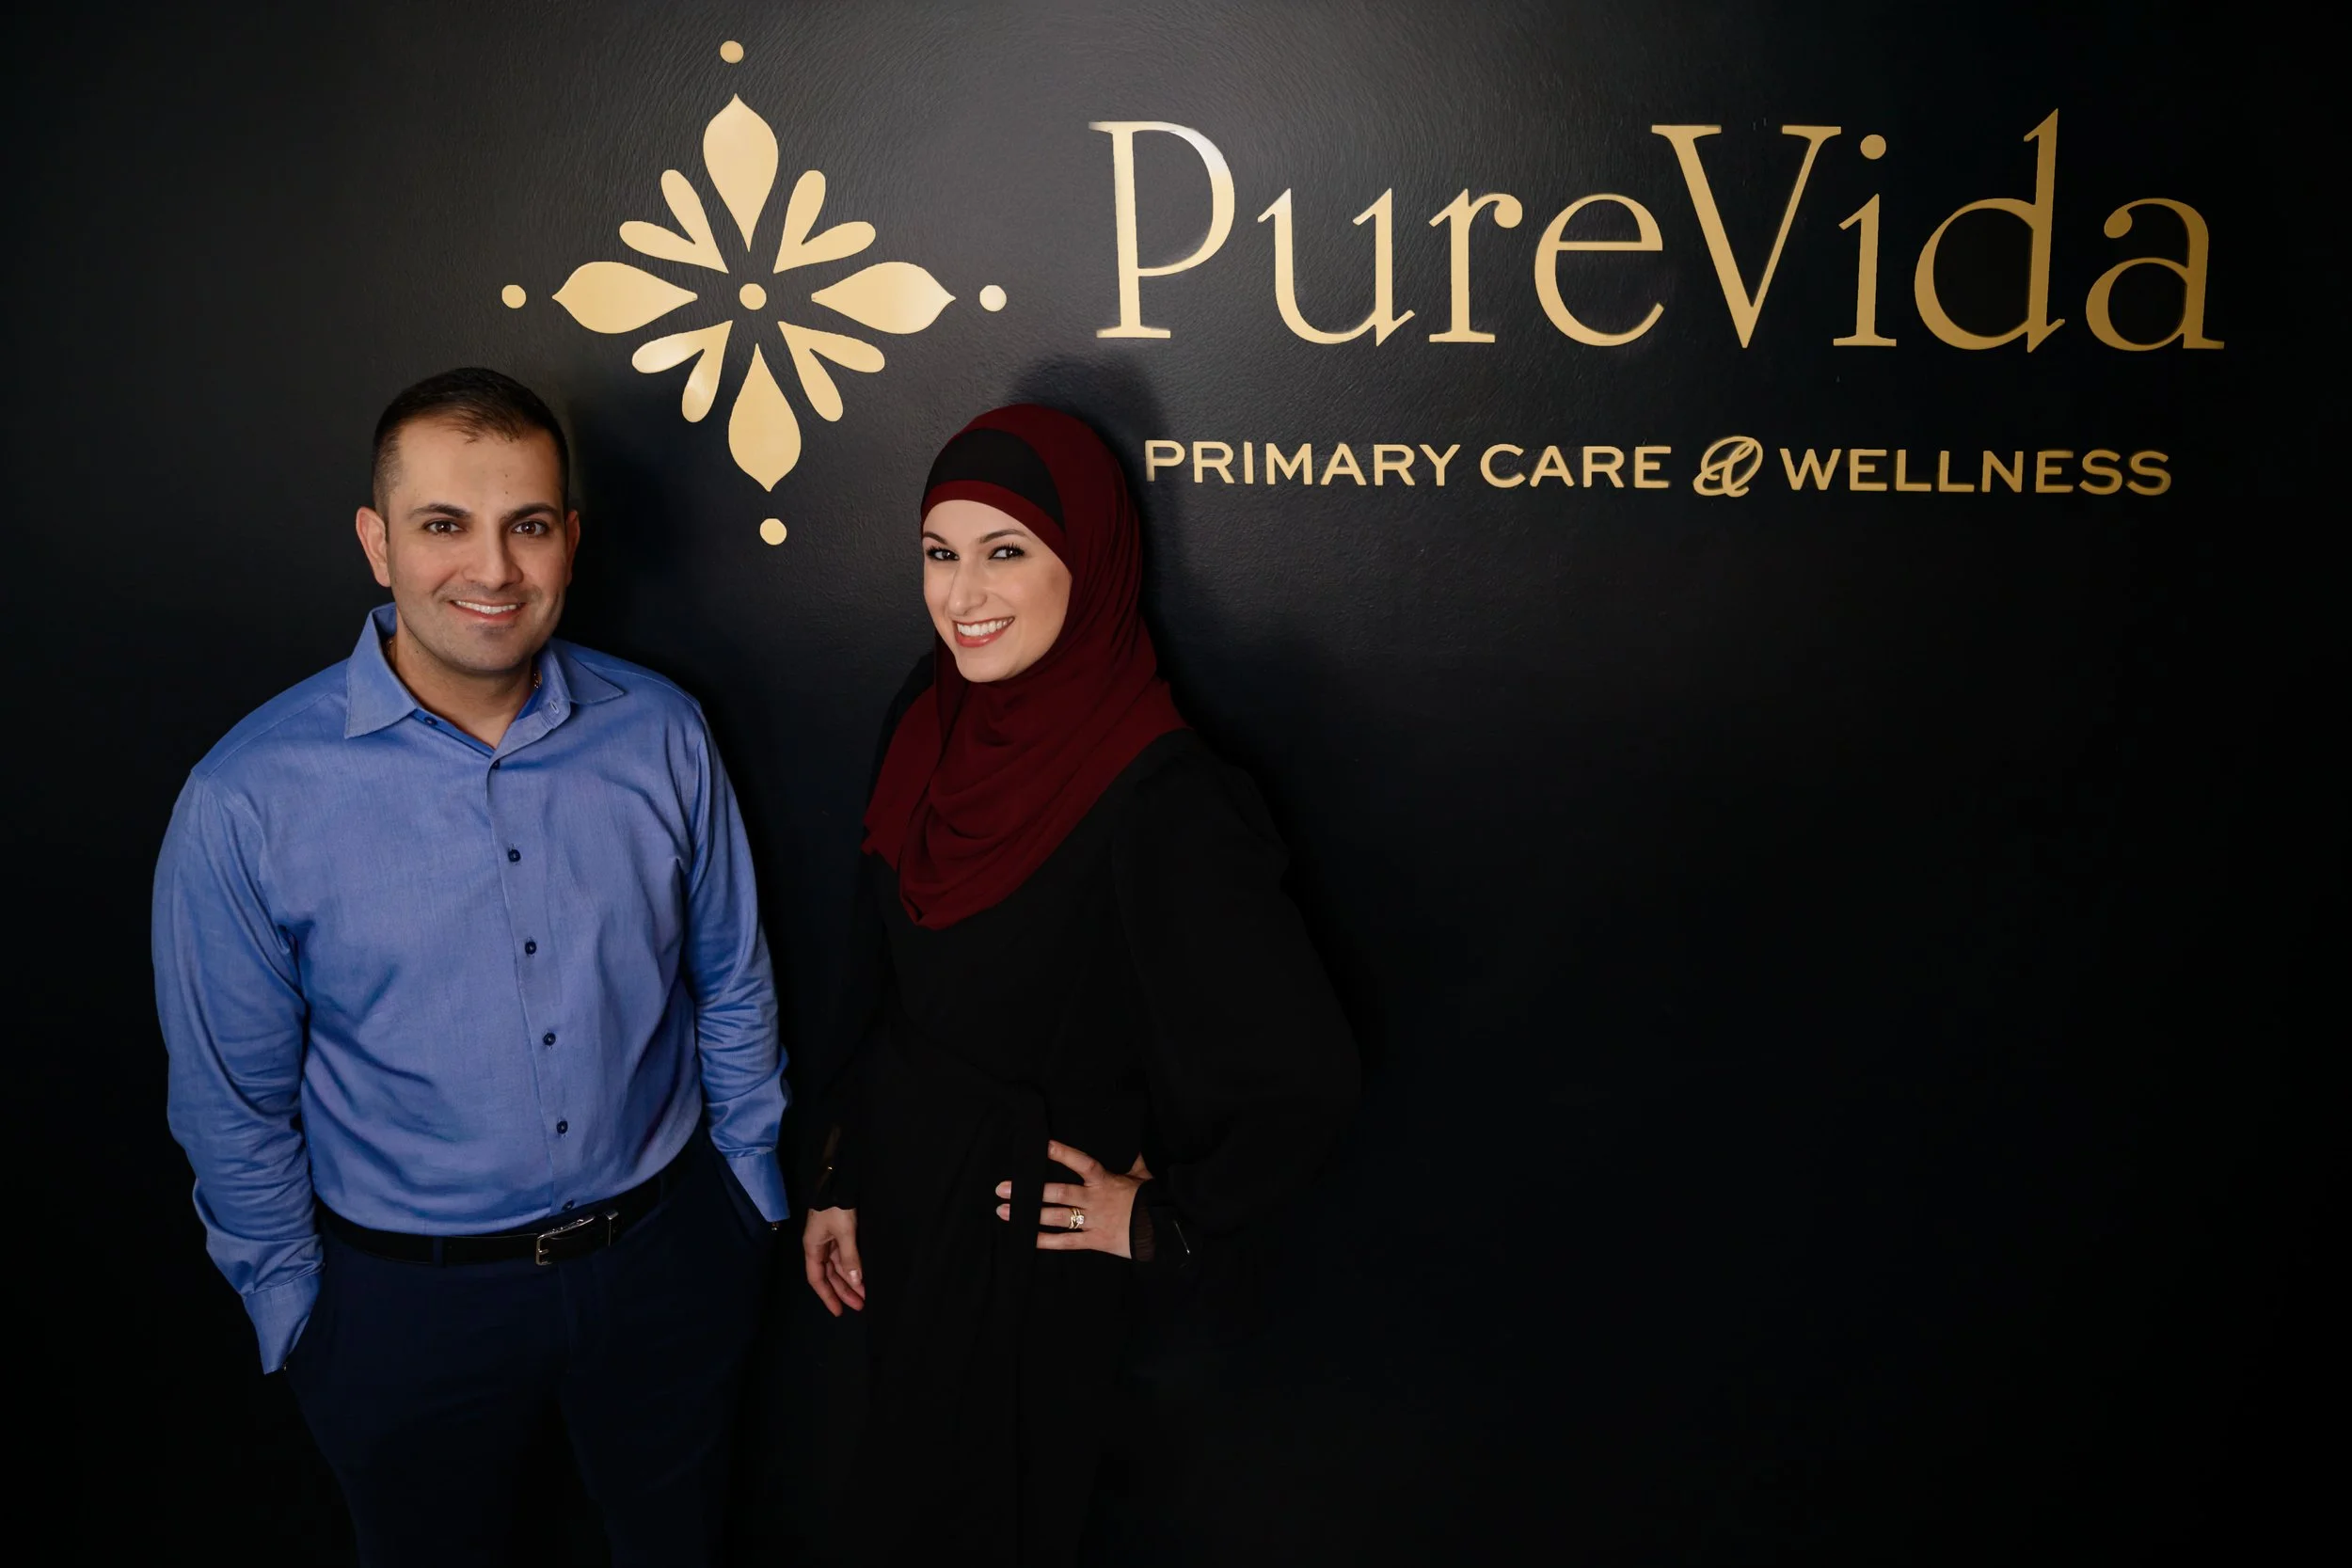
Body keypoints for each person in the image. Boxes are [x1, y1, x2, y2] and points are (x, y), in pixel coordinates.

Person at [152, 368, 788, 1567]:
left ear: (570, 542)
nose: (492, 568)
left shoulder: (662, 730)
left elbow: (732, 972)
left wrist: (749, 1188)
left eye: (527, 524)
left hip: (667, 1262)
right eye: (444, 523)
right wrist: (298, 1311)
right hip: (405, 1312)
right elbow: (231, 1100)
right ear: (377, 544)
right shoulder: (245, 799)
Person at [798, 404, 1359, 1567]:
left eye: (1005, 551)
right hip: (902, 1212)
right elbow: (875, 974)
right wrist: (841, 1173)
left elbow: (1301, 1074)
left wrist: (1158, 1215)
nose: (963, 595)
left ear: (1088, 561)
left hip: (1026, 1257)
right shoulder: (927, 714)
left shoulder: (1163, 795)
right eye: (939, 552)